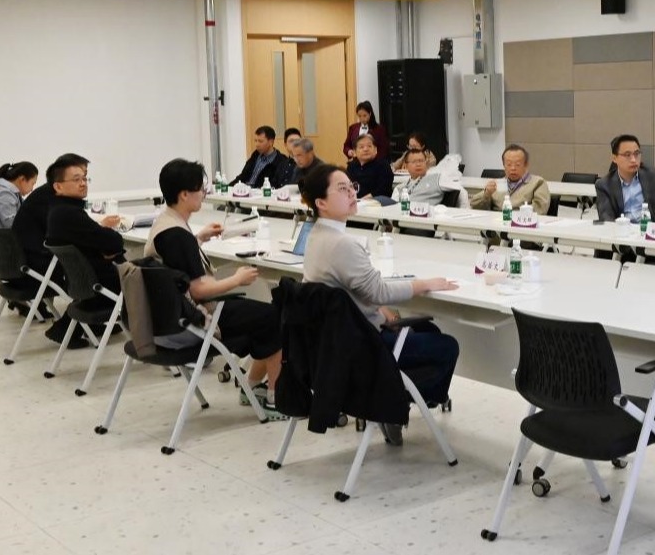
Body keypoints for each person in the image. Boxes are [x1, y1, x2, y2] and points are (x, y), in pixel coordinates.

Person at [300, 164, 460, 445]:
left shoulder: (316, 236)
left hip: (334, 344)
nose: (352, 193)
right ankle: (392, 402)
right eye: (342, 189)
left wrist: (376, 309)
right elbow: (379, 291)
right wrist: (424, 284)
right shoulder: (342, 244)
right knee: (447, 346)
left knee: (428, 330)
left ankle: (392, 401)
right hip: (363, 346)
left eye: (352, 187)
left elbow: (349, 294)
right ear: (321, 203)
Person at [147, 159, 286, 419]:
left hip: (170, 317)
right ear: (184, 194)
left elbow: (177, 263)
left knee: (260, 315)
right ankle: (275, 397)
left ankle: (251, 387)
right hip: (195, 318)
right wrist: (237, 279)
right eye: (200, 189)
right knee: (273, 315)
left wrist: (199, 239)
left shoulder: (166, 224)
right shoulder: (177, 236)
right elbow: (199, 290)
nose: (204, 194)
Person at [11, 153, 98, 345]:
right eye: (77, 177)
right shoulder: (56, 201)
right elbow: (67, 236)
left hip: (25, 262)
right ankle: (69, 327)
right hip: (35, 266)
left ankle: (91, 322)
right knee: (92, 271)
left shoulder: (47, 195)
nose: (83, 182)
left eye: (85, 176)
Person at [45, 159, 127, 316]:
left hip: (84, 288)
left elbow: (100, 241)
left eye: (84, 178)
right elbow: (115, 242)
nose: (83, 183)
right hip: (103, 288)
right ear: (58, 186)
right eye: (76, 180)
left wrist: (104, 249)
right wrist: (106, 249)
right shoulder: (70, 214)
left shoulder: (57, 210)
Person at [595, 134, 655, 225]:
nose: (633, 160)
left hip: (651, 230)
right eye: (627, 155)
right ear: (615, 158)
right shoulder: (604, 185)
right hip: (623, 231)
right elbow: (606, 217)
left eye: (636, 154)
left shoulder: (653, 175)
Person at [0, 161, 39, 255]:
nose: (32, 189)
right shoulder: (4, 195)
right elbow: (14, 225)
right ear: (22, 179)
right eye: (32, 183)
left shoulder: (9, 194)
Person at [470, 144, 551, 213]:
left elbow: (540, 210)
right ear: (503, 165)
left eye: (517, 164)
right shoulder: (497, 184)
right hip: (496, 223)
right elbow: (474, 206)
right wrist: (486, 194)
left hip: (522, 223)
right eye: (509, 164)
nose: (513, 168)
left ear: (526, 165)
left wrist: (510, 215)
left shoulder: (538, 183)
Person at [346, 134, 394, 201]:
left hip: (378, 203)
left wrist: (361, 201)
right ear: (354, 152)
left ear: (375, 150)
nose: (366, 149)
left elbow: (383, 190)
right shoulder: (351, 167)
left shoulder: (383, 165)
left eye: (369, 146)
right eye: (361, 147)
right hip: (355, 203)